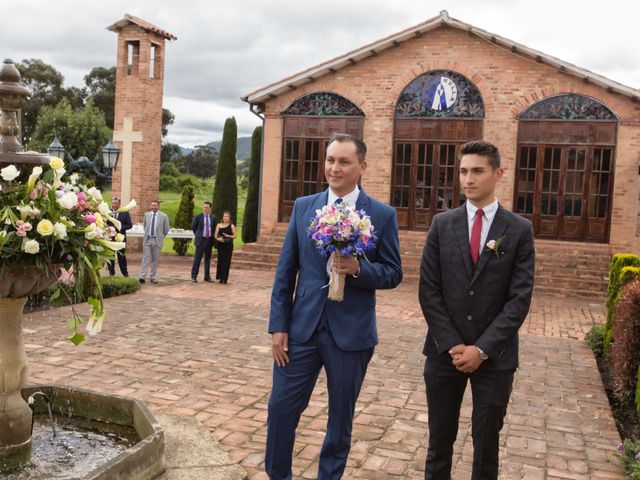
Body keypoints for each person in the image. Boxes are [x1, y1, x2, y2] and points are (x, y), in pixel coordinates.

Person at [265, 133, 403, 479]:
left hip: (351, 335)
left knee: (340, 420)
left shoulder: (382, 215)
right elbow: (285, 273)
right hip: (301, 329)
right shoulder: (303, 207)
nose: (334, 168)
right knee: (281, 408)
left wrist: (360, 269)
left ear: (362, 166)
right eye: (330, 160)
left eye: (343, 161)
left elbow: (393, 273)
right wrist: (278, 326)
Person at [419, 140, 535, 480]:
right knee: (439, 444)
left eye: (477, 171)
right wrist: (454, 344)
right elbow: (429, 289)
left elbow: (519, 299)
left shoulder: (519, 230)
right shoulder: (442, 224)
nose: (468, 179)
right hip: (444, 353)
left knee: (486, 448)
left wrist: (482, 349)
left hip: (495, 358)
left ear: (498, 173)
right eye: (463, 171)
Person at [139, 200, 170, 284]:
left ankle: (153, 277)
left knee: (155, 260)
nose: (153, 207)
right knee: (146, 258)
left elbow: (166, 229)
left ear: (158, 206)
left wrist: (160, 236)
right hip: (147, 239)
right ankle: (142, 276)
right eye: (152, 205)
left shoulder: (164, 216)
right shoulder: (147, 215)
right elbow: (145, 226)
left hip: (157, 240)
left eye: (155, 205)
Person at [191, 201, 217, 283]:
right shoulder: (198, 217)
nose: (205, 209)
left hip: (209, 240)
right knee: (197, 259)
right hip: (201, 240)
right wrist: (199, 235)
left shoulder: (213, 218)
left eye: (207, 207)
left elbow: (214, 229)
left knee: (207, 260)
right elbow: (193, 227)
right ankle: (194, 276)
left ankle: (207, 276)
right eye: (204, 207)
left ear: (210, 208)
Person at [107, 196, 132, 277]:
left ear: (119, 204)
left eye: (116, 203)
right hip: (110, 238)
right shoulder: (108, 212)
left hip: (120, 238)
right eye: (113, 203)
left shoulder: (125, 212)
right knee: (110, 256)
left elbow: (129, 225)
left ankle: (125, 274)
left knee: (121, 257)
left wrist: (119, 228)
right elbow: (105, 223)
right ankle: (111, 273)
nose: (114, 205)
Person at [214, 211, 235, 284]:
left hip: (228, 246)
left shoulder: (232, 226)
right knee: (221, 261)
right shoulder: (218, 225)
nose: (225, 218)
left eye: (227, 216)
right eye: (224, 216)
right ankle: (220, 277)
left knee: (226, 262)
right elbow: (215, 235)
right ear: (222, 217)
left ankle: (225, 278)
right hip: (221, 245)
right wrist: (218, 239)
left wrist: (228, 236)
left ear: (229, 218)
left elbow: (235, 236)